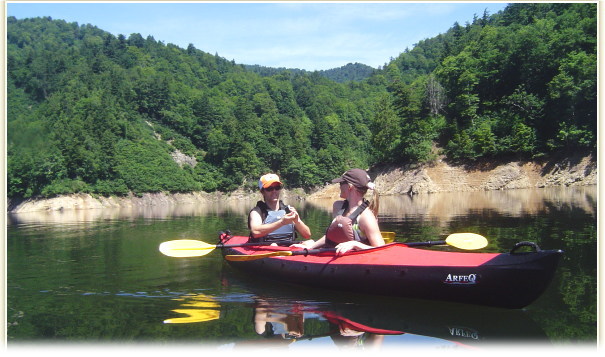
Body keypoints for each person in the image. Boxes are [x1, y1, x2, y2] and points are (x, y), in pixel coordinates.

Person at [293, 168, 384, 255]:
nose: (339, 186)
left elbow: (381, 249)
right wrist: (311, 247)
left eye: (341, 183)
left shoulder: (366, 217)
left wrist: (355, 244)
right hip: (332, 257)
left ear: (349, 187)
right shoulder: (338, 207)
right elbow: (333, 236)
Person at [248, 173, 311, 244]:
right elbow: (255, 232)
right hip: (267, 249)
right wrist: (282, 222)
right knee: (274, 245)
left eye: (277, 187)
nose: (274, 191)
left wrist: (297, 221)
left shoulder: (288, 210)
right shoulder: (257, 212)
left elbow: (307, 235)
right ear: (262, 192)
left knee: (310, 242)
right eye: (269, 188)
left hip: (289, 249)